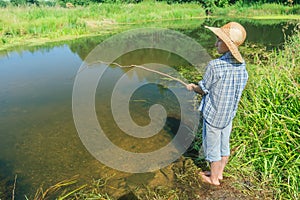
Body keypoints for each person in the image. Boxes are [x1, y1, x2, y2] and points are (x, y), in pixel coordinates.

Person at [186, 22, 248, 186]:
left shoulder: (215, 66)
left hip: (213, 115)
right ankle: (218, 174)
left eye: (219, 40)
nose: (215, 44)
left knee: (212, 147)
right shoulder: (242, 67)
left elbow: (204, 89)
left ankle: (213, 180)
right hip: (228, 115)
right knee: (223, 145)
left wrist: (193, 87)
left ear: (228, 45)